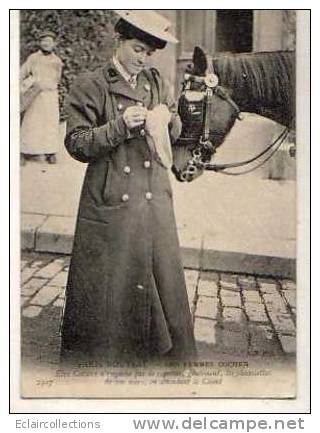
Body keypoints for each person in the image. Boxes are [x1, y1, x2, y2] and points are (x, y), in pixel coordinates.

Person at [60, 10, 196, 365]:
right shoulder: (90, 84)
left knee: (161, 272)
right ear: (118, 42)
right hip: (112, 198)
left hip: (153, 195)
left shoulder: (155, 81)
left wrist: (170, 119)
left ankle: (161, 353)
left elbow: (177, 132)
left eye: (149, 53)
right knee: (115, 279)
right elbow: (76, 144)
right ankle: (109, 355)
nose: (143, 59)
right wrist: (119, 126)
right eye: (137, 49)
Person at [20, 31, 63, 165]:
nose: (46, 44)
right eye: (44, 40)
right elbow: (22, 73)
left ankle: (50, 152)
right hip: (36, 95)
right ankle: (27, 152)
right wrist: (25, 85)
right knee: (33, 122)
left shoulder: (57, 60)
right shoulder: (33, 58)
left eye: (49, 41)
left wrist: (51, 86)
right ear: (40, 42)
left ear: (54, 44)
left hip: (50, 96)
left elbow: (58, 78)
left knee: (50, 123)